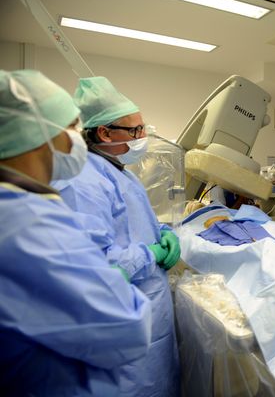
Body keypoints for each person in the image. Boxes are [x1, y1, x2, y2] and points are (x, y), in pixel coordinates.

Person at [0, 70, 152, 396]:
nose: (76, 137)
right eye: (70, 128)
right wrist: (146, 257)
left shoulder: (25, 206)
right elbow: (124, 326)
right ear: (37, 132)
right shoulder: (26, 222)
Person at [52, 77, 180, 397]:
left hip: (148, 316)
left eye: (143, 128)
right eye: (134, 131)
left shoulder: (119, 171)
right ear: (104, 133)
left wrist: (162, 234)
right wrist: (151, 253)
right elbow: (97, 265)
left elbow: (135, 225)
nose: (142, 138)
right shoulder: (83, 180)